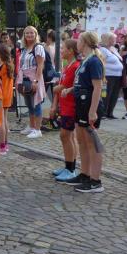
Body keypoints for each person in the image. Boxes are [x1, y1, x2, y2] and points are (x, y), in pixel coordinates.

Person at [65, 31, 106, 193]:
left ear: (86, 42)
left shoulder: (94, 61)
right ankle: (85, 174)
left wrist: (93, 111)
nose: (77, 43)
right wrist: (70, 90)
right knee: (81, 140)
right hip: (81, 103)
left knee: (92, 143)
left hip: (89, 105)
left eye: (79, 40)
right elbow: (82, 83)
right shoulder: (85, 60)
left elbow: (97, 87)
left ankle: (95, 181)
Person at [51, 39, 81, 182]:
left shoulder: (75, 66)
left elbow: (65, 86)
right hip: (65, 105)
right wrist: (55, 104)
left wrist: (56, 88)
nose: (61, 51)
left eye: (63, 48)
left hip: (71, 106)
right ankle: (68, 165)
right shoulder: (67, 65)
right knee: (68, 137)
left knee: (66, 136)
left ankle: (71, 169)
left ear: (71, 51)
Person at [16, 26, 46, 138]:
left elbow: (40, 65)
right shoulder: (24, 48)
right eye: (27, 33)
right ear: (24, 35)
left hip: (34, 78)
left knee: (36, 104)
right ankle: (32, 126)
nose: (29, 35)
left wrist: (36, 81)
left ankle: (38, 130)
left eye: (32, 33)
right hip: (25, 79)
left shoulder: (38, 47)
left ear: (36, 34)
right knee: (29, 104)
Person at [0, 44, 14, 155]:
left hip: (2, 96)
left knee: (1, 121)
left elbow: (2, 84)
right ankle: (5, 143)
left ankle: (2, 145)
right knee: (4, 120)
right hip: (7, 96)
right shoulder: (8, 65)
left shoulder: (4, 67)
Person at [100, 32, 123, 119]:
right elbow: (101, 62)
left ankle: (110, 112)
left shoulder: (113, 49)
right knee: (106, 94)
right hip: (108, 75)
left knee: (114, 94)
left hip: (117, 75)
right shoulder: (102, 50)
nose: (115, 40)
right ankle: (103, 113)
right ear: (107, 39)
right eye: (113, 39)